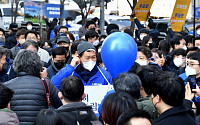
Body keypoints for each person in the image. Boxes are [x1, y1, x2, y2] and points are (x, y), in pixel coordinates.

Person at [4, 50, 62, 125]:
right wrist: (46, 79)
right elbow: (61, 103)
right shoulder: (45, 83)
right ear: (38, 65)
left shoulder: (6, 86)